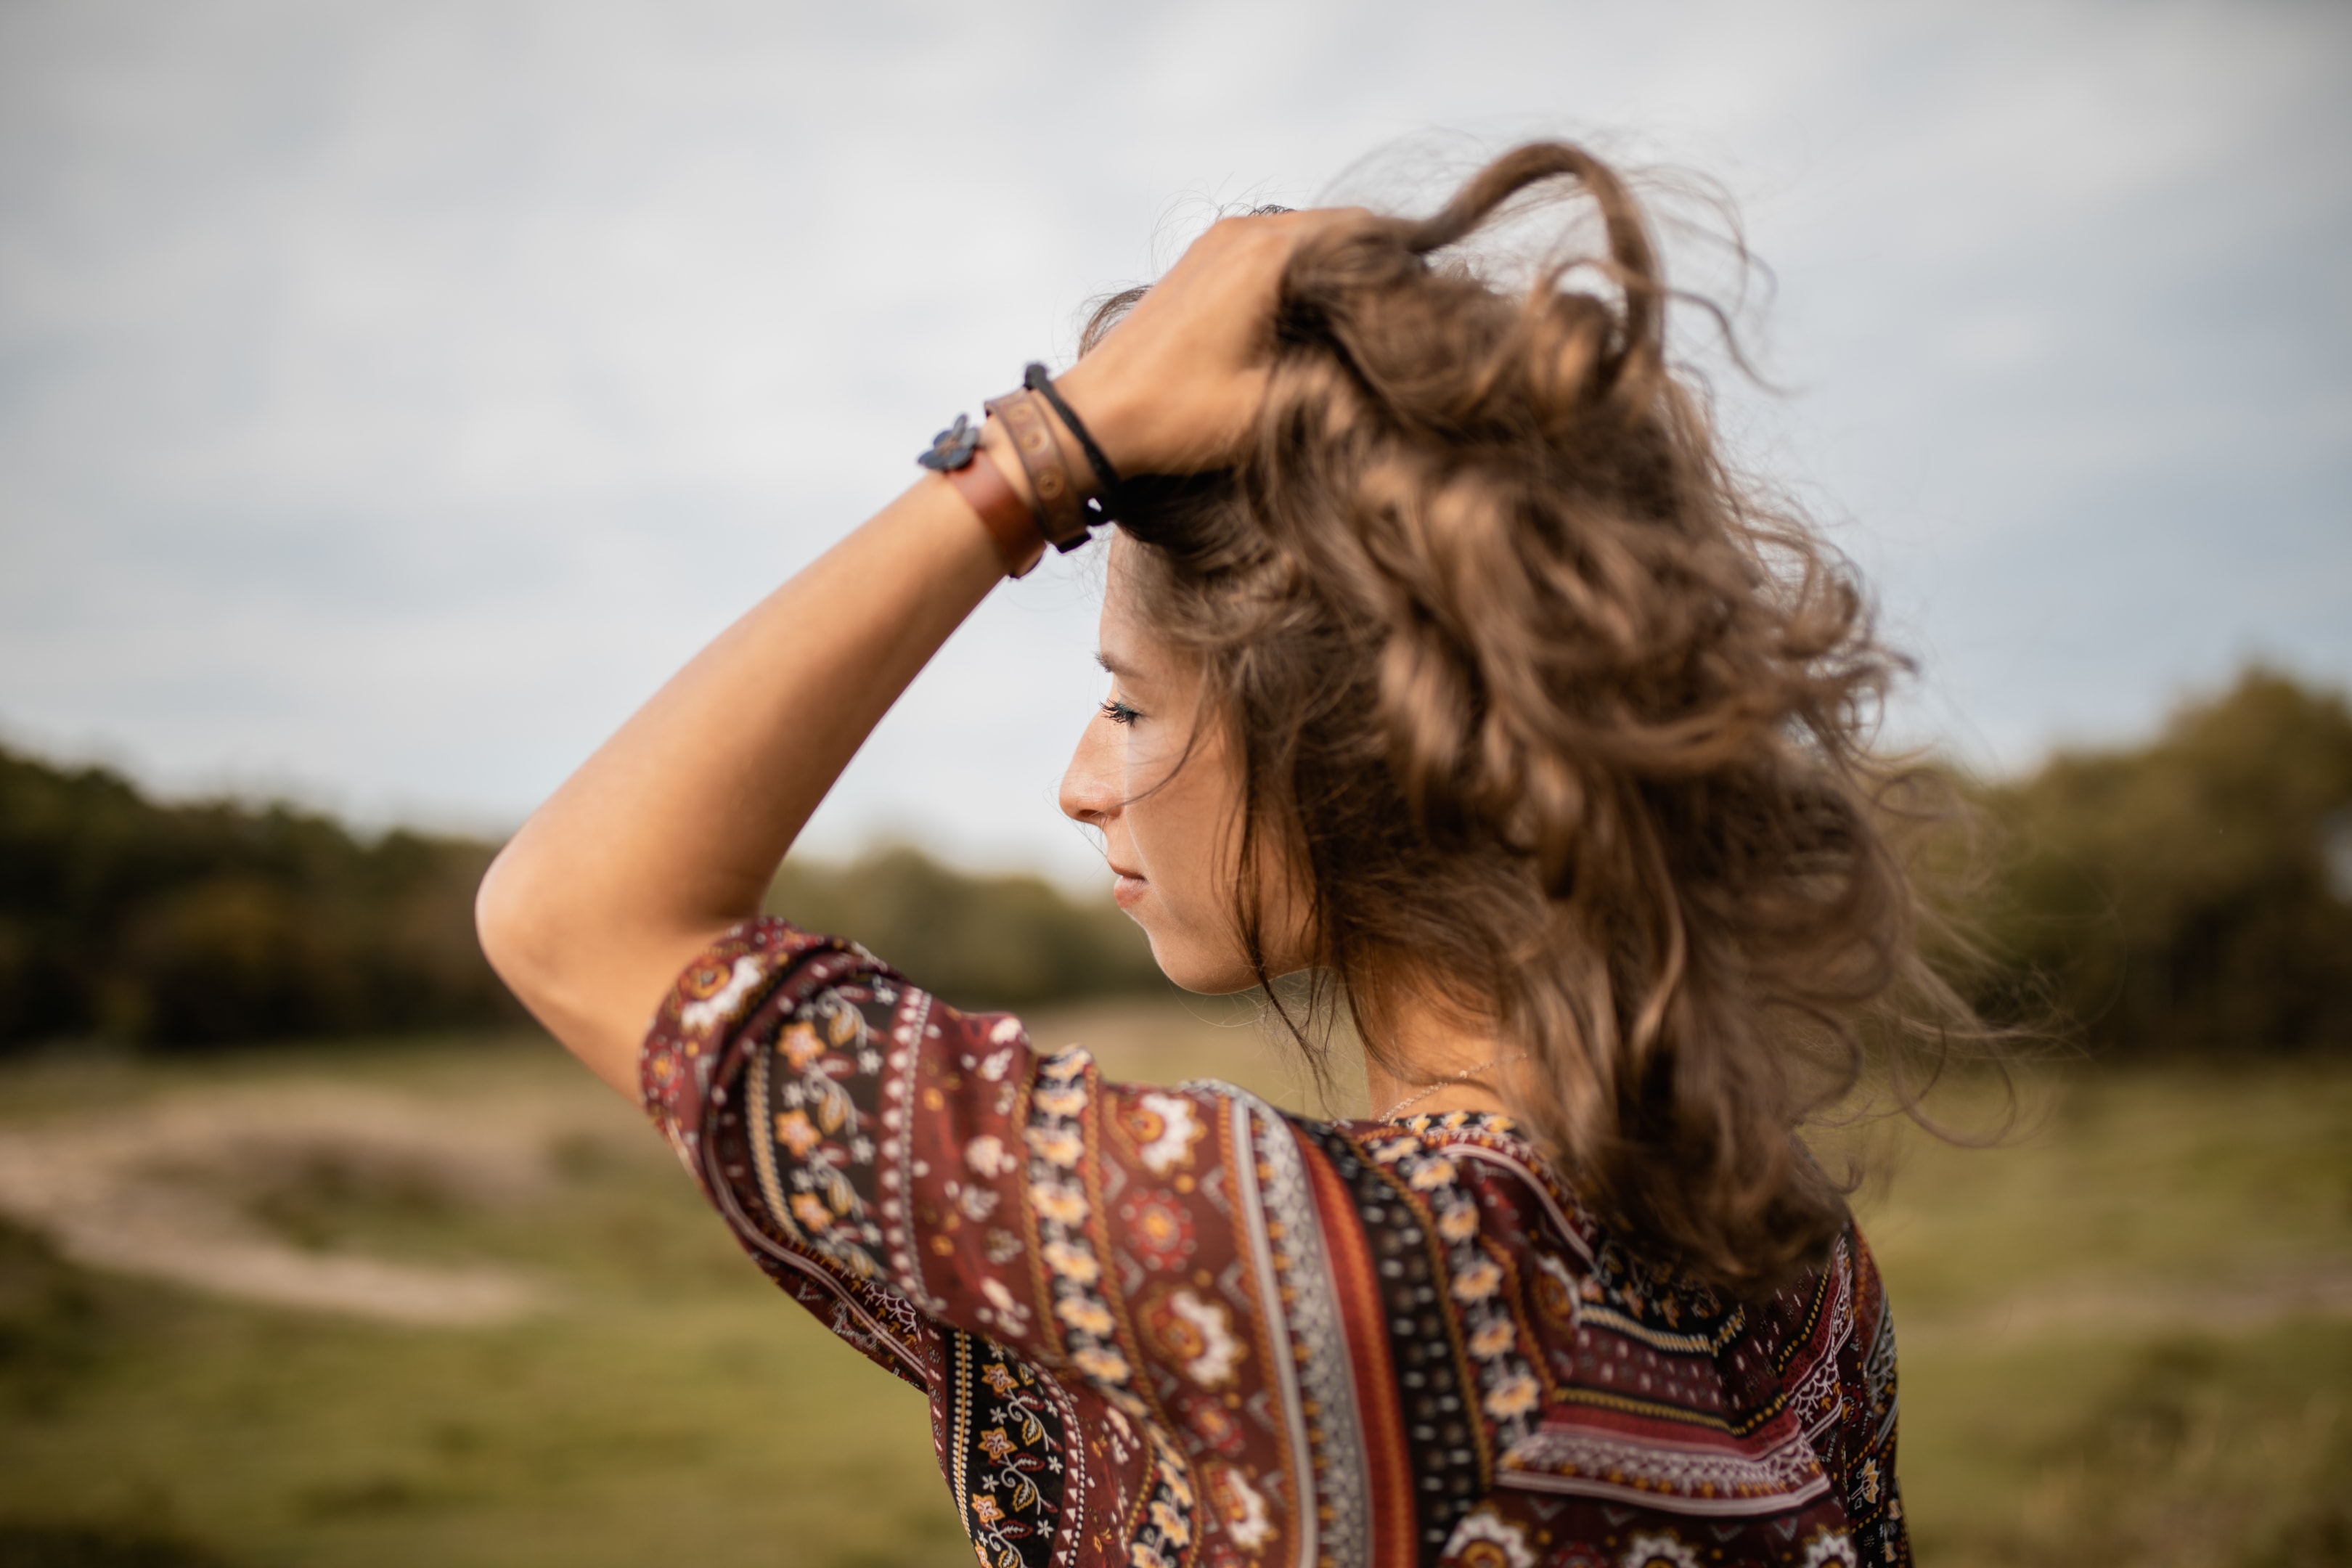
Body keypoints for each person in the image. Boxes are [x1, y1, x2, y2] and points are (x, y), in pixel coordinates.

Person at [478, 141, 1946, 1568]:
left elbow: (575, 913)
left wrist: (1050, 447)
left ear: (1349, 740)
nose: (1079, 783)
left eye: (1128, 704)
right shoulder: (1795, 1277)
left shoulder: (1278, 1271)